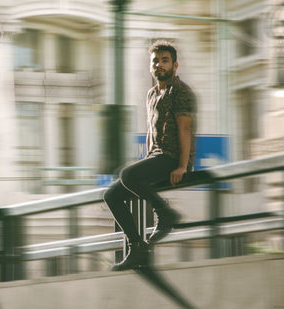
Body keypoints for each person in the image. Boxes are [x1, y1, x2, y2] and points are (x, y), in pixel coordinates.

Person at [104, 41, 196, 271]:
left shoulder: (181, 91)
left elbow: (185, 129)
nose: (159, 65)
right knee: (112, 195)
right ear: (150, 66)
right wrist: (145, 162)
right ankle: (137, 248)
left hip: (173, 159)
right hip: (156, 157)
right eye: (155, 61)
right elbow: (150, 131)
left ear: (175, 65)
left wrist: (182, 165)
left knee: (127, 174)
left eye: (165, 60)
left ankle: (164, 212)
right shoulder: (152, 94)